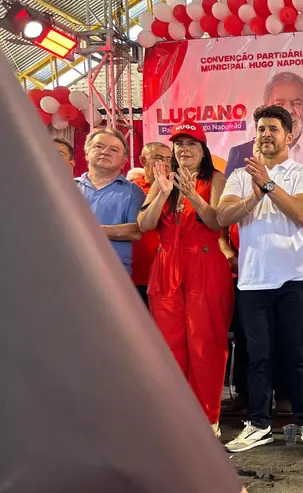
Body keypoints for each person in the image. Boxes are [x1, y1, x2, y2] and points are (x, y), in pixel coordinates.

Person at [217, 105, 303, 451]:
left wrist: (268, 183)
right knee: (259, 356)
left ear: (289, 136)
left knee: (298, 353)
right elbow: (223, 214)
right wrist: (254, 192)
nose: (265, 134)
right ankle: (259, 424)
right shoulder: (237, 176)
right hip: (252, 281)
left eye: (273, 129)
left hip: (295, 278)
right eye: (261, 128)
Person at [137, 122, 234, 437]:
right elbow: (145, 224)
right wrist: (163, 193)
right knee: (169, 346)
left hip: (205, 265)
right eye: (179, 144)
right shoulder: (162, 182)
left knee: (205, 344)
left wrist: (193, 195)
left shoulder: (216, 179)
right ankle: (174, 416)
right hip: (167, 268)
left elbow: (216, 221)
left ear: (203, 150)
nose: (184, 150)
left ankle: (208, 418)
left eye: (192, 144)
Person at [76, 128, 145, 274]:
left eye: (114, 150)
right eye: (99, 146)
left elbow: (136, 231)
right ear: (87, 153)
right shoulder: (68, 188)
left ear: (123, 162)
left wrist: (91, 229)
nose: (105, 152)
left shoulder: (134, 192)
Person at [225, 72, 303, 177]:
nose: (288, 110)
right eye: (279, 104)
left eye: (296, 104)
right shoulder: (240, 154)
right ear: (266, 108)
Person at [132, 142, 172, 305]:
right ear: (143, 160)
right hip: (136, 275)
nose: (165, 164)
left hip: (168, 275)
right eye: (158, 158)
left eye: (169, 159)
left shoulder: (179, 188)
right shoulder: (131, 189)